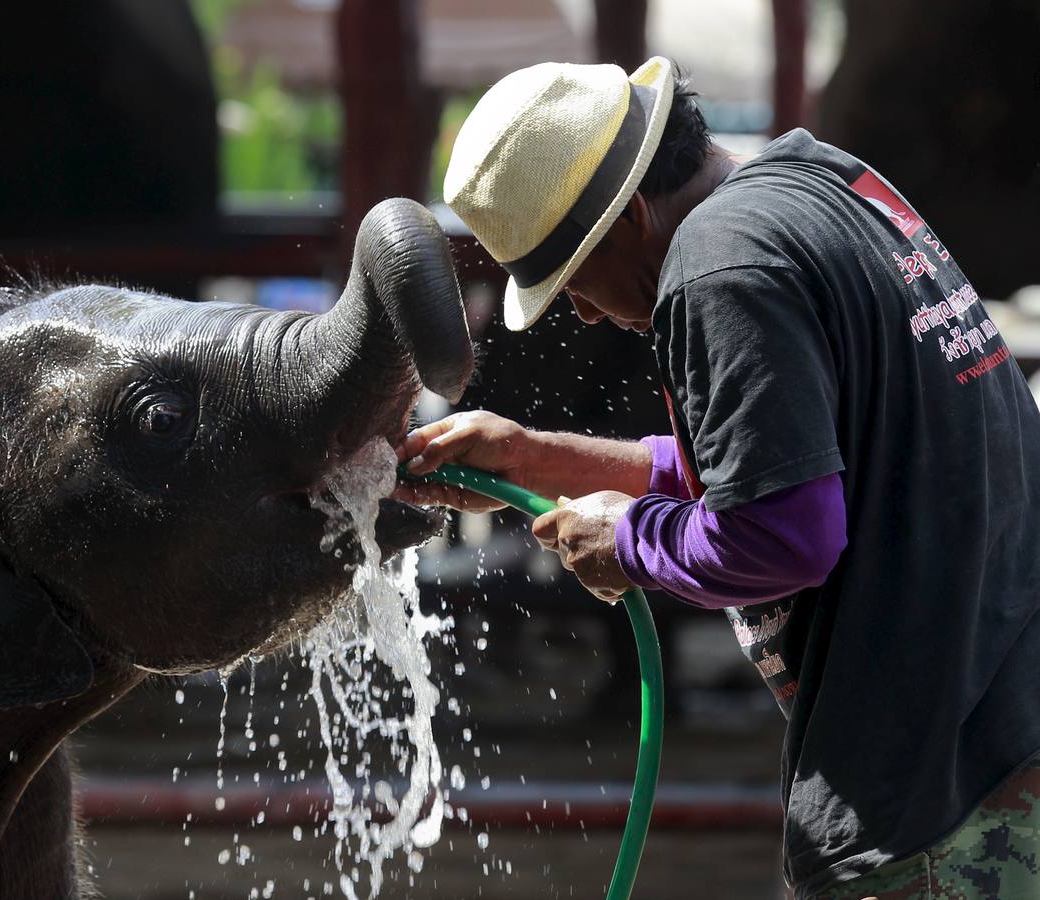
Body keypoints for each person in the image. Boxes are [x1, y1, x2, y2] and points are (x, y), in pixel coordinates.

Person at [395, 56, 1040, 899]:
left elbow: (783, 535)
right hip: (1005, 740)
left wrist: (626, 543)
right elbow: (770, 466)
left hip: (941, 800)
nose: (582, 311)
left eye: (573, 276)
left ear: (629, 215)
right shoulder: (821, 182)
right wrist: (533, 459)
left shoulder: (716, 267)